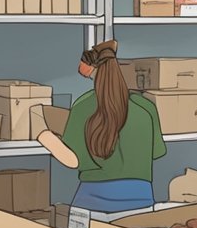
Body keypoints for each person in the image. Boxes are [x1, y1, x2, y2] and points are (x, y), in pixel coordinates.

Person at [36, 40, 166, 213]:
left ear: (90, 70)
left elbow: (73, 160)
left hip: (93, 200)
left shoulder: (83, 107)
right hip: (141, 200)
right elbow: (156, 153)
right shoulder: (146, 107)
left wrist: (44, 136)